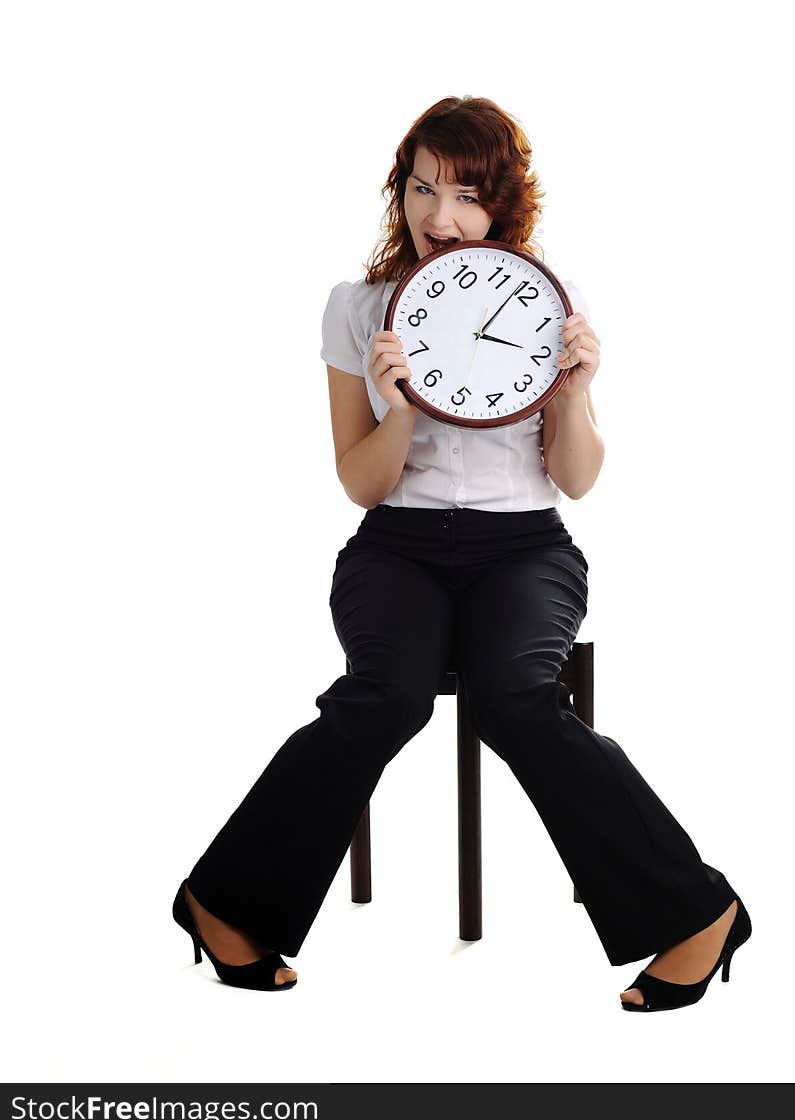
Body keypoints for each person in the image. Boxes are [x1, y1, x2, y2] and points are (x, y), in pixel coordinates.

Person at [173, 95, 751, 1011]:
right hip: (394, 546)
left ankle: (697, 914)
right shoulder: (357, 309)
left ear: (505, 204)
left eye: (468, 194)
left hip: (525, 547)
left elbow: (578, 478)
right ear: (398, 192)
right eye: (423, 189)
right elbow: (360, 483)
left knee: (516, 696)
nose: (442, 217)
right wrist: (398, 401)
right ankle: (222, 901)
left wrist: (572, 393)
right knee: (385, 696)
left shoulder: (550, 301)